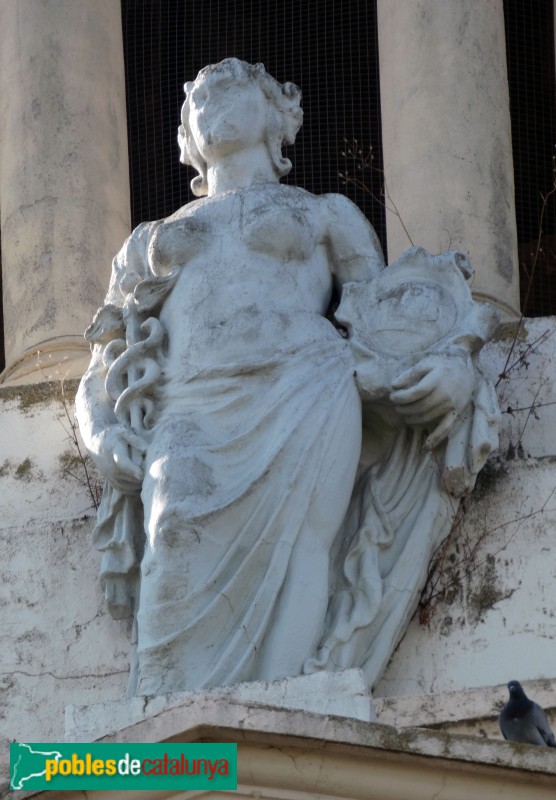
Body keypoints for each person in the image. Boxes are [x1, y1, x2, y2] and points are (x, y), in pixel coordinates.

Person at [76, 58, 497, 696]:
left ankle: (292, 705)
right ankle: (160, 734)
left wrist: (452, 367)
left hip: (308, 388)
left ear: (278, 118)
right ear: (186, 135)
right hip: (191, 404)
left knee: (307, 547)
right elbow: (102, 365)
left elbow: (386, 320)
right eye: (199, 98)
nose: (211, 100)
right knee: (174, 524)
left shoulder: (326, 213)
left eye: (230, 88)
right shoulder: (149, 240)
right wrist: (102, 434)